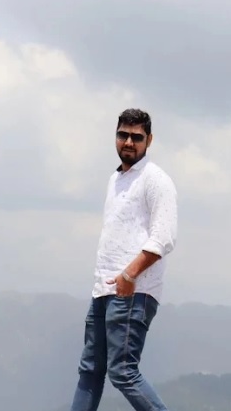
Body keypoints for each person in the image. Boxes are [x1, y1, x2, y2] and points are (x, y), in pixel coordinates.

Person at [70, 108, 178, 411]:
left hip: (133, 292)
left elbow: (164, 238)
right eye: (123, 135)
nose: (129, 142)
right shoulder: (115, 179)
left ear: (149, 140)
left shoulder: (155, 180)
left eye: (136, 137)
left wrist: (129, 276)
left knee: (123, 372)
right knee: (90, 370)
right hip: (103, 291)